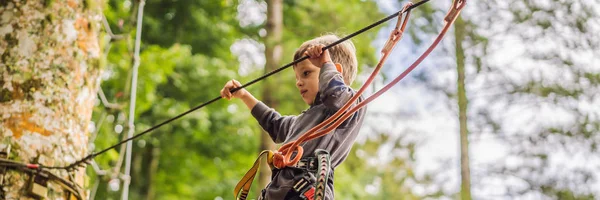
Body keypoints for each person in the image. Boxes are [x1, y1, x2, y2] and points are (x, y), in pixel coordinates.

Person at [221, 34, 366, 200]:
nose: (298, 82)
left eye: (306, 73)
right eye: (297, 77)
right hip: (280, 192)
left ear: (335, 71)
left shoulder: (351, 103)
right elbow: (274, 123)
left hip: (307, 191)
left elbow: (335, 95)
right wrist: (244, 95)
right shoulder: (302, 121)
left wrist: (325, 62)